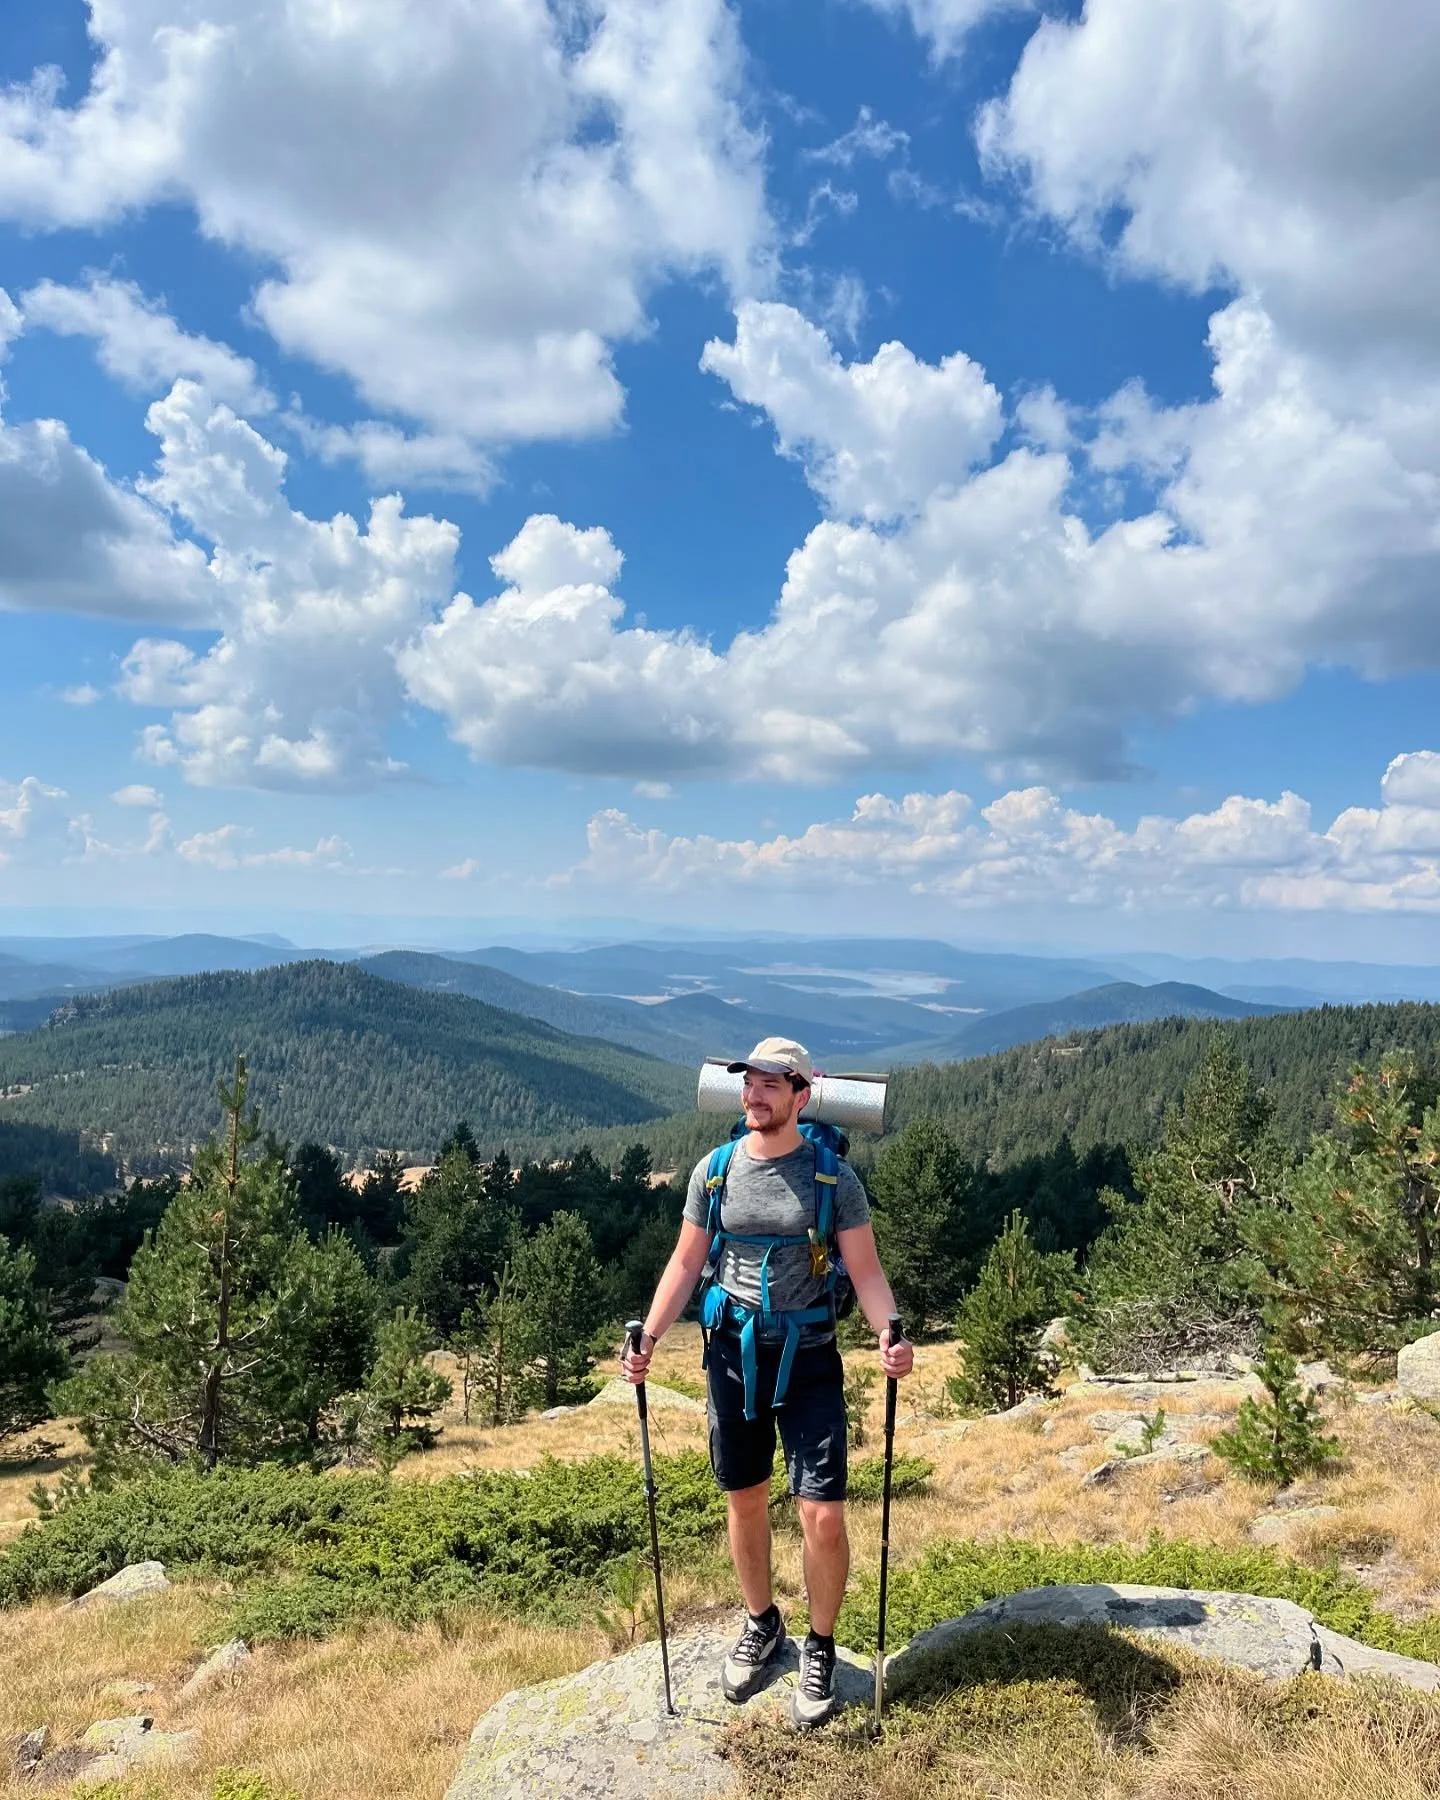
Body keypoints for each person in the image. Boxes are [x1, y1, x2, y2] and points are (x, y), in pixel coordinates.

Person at [621, 1035, 913, 1728]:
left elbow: (866, 1272)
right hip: (730, 1355)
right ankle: (762, 1623)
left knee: (823, 1514)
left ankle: (819, 1643)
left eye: (771, 1086)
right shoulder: (715, 1170)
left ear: (800, 1097)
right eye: (749, 1084)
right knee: (746, 1500)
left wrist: (889, 1331)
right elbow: (686, 1263)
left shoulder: (833, 1181)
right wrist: (650, 1338)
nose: (755, 1094)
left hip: (810, 1356)